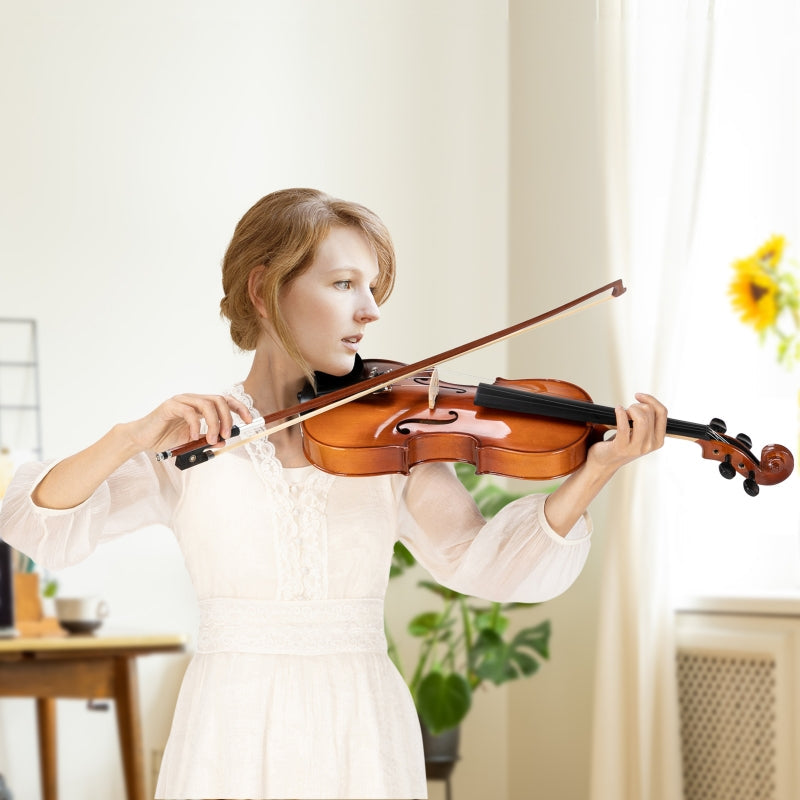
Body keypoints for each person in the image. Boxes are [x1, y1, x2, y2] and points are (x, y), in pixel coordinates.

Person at [0, 188, 667, 800]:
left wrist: (594, 472)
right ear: (264, 290)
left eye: (372, 288)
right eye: (345, 283)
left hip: (358, 720)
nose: (370, 310)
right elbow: (40, 523)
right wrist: (128, 437)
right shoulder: (192, 439)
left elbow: (482, 560)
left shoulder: (390, 437)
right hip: (230, 723)